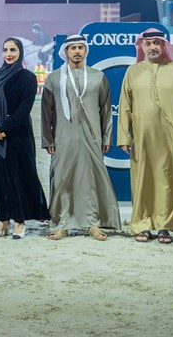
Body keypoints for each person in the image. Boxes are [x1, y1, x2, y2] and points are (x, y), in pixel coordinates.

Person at [118, 28, 173, 244]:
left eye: (156, 43)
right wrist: (124, 136)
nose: (152, 47)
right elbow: (125, 106)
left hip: (171, 138)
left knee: (167, 181)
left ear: (164, 46)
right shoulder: (133, 72)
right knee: (143, 180)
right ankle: (142, 224)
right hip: (141, 138)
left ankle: (164, 226)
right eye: (148, 43)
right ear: (141, 46)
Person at [41, 34, 120, 241]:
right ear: (65, 52)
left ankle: (92, 223)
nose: (76, 51)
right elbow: (46, 112)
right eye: (72, 48)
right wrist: (48, 139)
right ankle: (62, 223)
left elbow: (106, 110)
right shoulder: (54, 78)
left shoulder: (98, 76)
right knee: (62, 178)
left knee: (90, 178)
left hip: (91, 136)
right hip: (62, 136)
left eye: (80, 48)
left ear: (86, 51)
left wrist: (106, 138)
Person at [0, 37, 50, 239]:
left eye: (13, 50)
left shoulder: (28, 77)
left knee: (17, 177)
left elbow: (24, 110)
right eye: (5, 50)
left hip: (17, 136)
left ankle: (20, 221)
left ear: (20, 52)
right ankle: (3, 220)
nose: (9, 54)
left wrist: (4, 128)